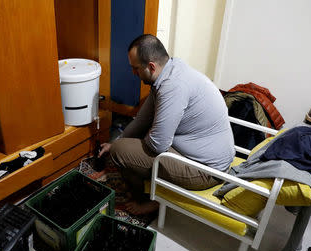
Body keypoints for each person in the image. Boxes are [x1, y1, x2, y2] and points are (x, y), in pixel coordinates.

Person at [99, 34, 235, 215]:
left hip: (206, 171)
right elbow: (142, 119)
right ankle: (153, 191)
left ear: (151, 66)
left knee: (120, 151)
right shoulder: (170, 70)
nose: (134, 73)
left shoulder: (173, 86)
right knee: (124, 142)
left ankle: (151, 202)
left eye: (136, 68)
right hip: (200, 153)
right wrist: (119, 140)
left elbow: (158, 144)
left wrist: (119, 146)